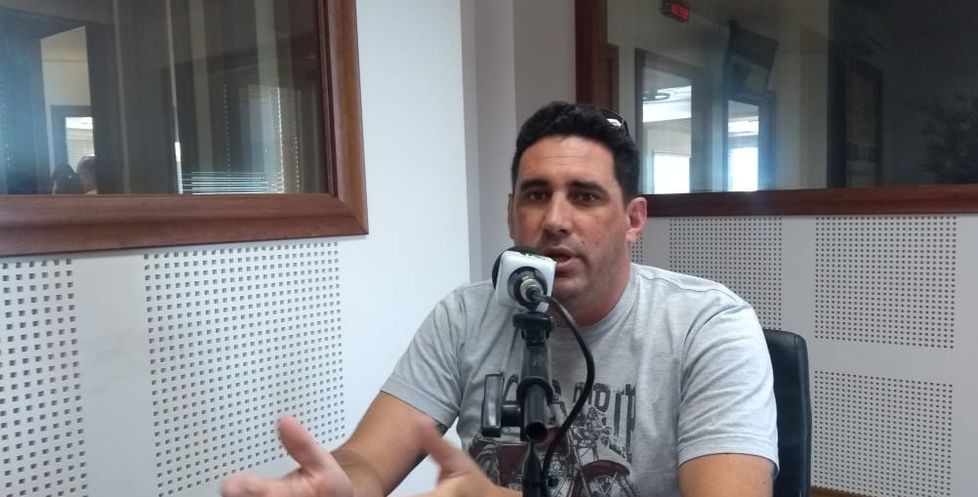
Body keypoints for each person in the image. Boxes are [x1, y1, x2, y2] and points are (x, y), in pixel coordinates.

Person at [221, 101, 778, 497]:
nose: (555, 220)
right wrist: (338, 484)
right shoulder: (465, 316)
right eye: (536, 195)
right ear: (512, 214)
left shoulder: (709, 326)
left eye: (585, 196)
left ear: (633, 220)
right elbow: (367, 457)